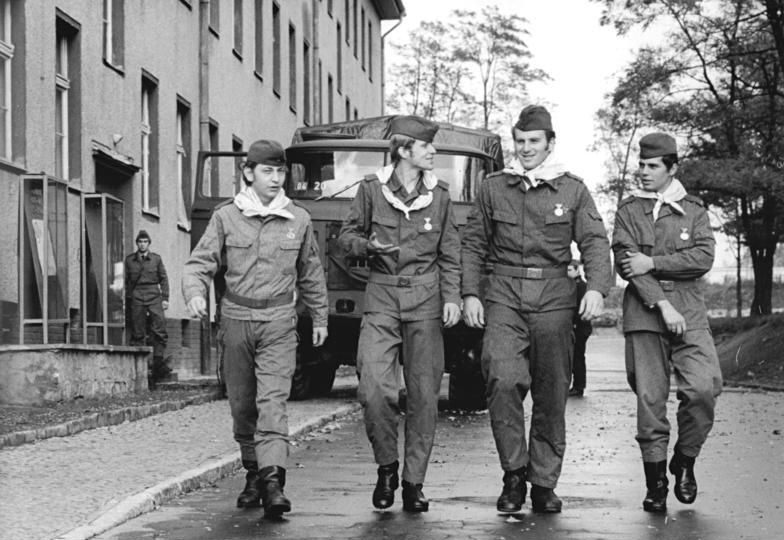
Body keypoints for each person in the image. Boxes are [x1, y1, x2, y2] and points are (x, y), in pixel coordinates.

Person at [462, 105, 612, 514]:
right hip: (504, 294)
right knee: (502, 378)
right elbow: (474, 243)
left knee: (550, 393)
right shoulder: (494, 186)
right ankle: (514, 475)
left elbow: (595, 242)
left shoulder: (572, 190)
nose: (526, 149)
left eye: (534, 142)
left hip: (554, 298)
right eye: (521, 141)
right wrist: (470, 293)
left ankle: (543, 482)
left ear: (550, 143)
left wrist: (597, 288)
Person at [182, 139, 328, 518]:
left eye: (281, 172)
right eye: (268, 171)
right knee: (243, 406)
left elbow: (311, 272)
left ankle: (273, 482)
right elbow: (199, 263)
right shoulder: (226, 216)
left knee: (273, 405)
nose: (276, 179)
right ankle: (253, 473)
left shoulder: (299, 218)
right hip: (236, 322)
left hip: (279, 322)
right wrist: (195, 294)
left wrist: (321, 317)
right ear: (249, 173)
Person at [338, 115, 461, 512]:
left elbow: (451, 253)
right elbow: (345, 238)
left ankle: (413, 482)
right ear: (405, 150)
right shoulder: (372, 190)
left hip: (426, 302)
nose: (433, 152)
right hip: (382, 299)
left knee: (425, 396)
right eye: (427, 146)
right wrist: (366, 247)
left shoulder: (439, 196)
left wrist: (452, 297)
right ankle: (386, 466)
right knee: (373, 387)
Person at [612, 132, 722, 513]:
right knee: (650, 400)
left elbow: (703, 257)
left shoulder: (692, 209)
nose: (643, 172)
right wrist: (661, 303)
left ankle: (685, 460)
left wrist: (654, 262)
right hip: (645, 313)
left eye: (652, 166)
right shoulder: (628, 210)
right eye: (641, 165)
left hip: (690, 310)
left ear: (671, 168)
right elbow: (627, 263)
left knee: (702, 389)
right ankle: (656, 482)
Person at [125, 229, 170, 385]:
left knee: (160, 326)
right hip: (137, 295)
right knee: (138, 329)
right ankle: (140, 371)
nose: (142, 244)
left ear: (149, 244)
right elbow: (125, 281)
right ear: (137, 243)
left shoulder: (156, 259)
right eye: (140, 242)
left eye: (145, 242)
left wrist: (165, 298)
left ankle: (158, 364)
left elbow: (163, 279)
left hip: (153, 294)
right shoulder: (130, 260)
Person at [568, 259, 593, 397]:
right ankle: (577, 386)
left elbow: (579, 308)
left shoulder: (580, 286)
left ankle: (578, 386)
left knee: (577, 357)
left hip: (579, 327)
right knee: (574, 357)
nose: (567, 273)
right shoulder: (574, 285)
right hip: (577, 326)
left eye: (570, 270)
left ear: (578, 270)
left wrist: (575, 324)